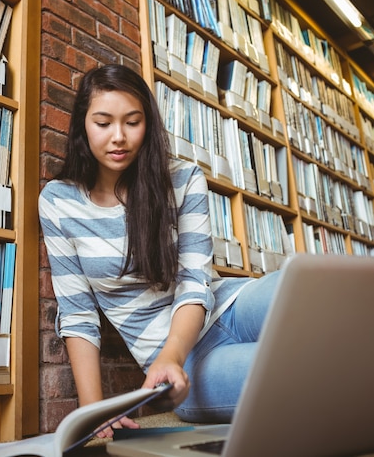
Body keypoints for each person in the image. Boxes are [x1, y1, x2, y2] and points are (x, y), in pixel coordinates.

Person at [38, 63, 280, 436]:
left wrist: (173, 352)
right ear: (82, 127)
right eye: (103, 123)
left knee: (311, 293)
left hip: (228, 308)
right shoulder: (58, 201)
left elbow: (194, 281)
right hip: (188, 367)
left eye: (132, 122)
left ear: (147, 124)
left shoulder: (183, 178)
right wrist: (94, 409)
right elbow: (78, 314)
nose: (118, 136)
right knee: (304, 369)